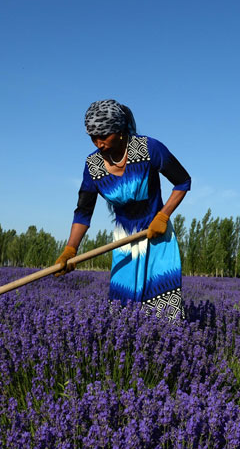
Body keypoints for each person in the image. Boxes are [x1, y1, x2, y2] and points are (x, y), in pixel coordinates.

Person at [55, 100, 191, 320]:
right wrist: (70, 249)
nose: (98, 143)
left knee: (163, 308)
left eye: (103, 136)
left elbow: (183, 181)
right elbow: (83, 212)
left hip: (158, 237)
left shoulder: (148, 148)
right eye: (92, 137)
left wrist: (163, 215)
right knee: (122, 311)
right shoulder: (93, 166)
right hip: (124, 242)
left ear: (119, 131)